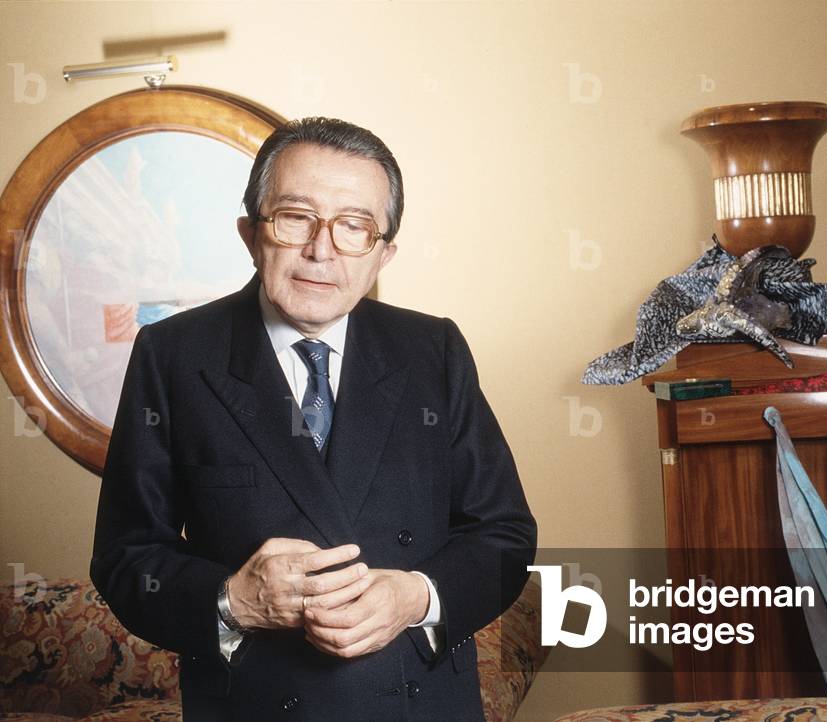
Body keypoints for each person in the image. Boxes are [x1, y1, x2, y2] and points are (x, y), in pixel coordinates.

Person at [90, 117, 537, 721]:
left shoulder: (433, 350)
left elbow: (504, 536)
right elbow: (126, 554)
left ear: (383, 254)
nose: (322, 250)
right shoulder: (172, 356)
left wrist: (415, 597)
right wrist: (234, 601)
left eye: (355, 226)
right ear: (251, 233)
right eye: (296, 217)